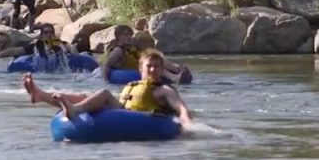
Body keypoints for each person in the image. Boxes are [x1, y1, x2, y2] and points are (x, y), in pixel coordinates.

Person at [23, 47, 195, 129]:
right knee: (88, 95)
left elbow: (181, 108)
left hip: (144, 119)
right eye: (149, 66)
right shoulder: (133, 85)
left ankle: (74, 110)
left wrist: (186, 124)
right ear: (140, 69)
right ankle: (40, 95)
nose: (153, 70)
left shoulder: (164, 89)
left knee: (104, 94)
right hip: (123, 112)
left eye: (157, 67)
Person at [101, 24, 193, 85]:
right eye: (125, 35)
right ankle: (175, 78)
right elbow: (106, 65)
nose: (129, 37)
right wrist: (107, 80)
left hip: (141, 67)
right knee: (156, 66)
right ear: (118, 37)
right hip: (130, 72)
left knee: (156, 58)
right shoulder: (118, 51)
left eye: (130, 35)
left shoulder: (134, 47)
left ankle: (177, 69)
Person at [0, 23, 71, 69]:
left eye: (51, 32)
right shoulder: (36, 46)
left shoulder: (58, 43)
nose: (49, 34)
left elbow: (70, 48)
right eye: (46, 32)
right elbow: (16, 50)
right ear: (42, 35)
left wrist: (65, 48)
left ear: (54, 34)